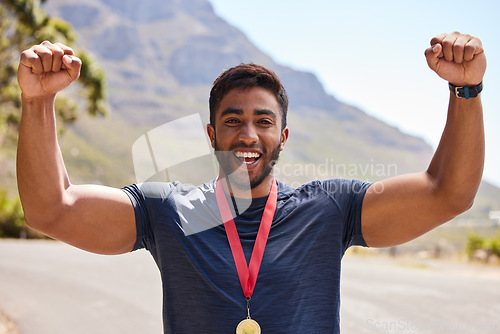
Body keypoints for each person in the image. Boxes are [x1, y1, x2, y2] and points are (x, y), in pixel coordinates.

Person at [16, 31, 486, 333]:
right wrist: (37, 102)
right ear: (211, 134)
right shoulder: (169, 212)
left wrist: (465, 92)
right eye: (232, 120)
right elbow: (51, 209)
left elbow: (448, 192)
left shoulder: (328, 210)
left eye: (263, 121)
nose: (247, 134)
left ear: (282, 136)